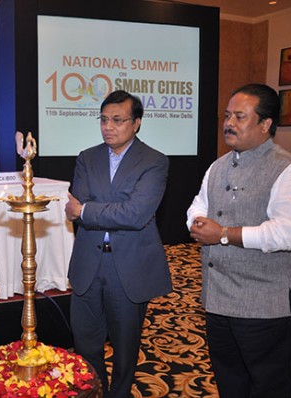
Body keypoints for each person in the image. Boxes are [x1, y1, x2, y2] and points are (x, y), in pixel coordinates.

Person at [187, 83, 291, 398]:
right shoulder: (218, 165)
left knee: (268, 387)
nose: (228, 123)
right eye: (227, 115)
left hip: (266, 305)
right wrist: (196, 222)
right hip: (218, 299)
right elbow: (197, 205)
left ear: (265, 124)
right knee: (230, 382)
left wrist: (224, 235)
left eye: (239, 116)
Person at [65, 90, 172, 397]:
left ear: (136, 123)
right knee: (86, 342)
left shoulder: (154, 161)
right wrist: (104, 210)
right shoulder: (87, 157)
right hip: (88, 261)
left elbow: (136, 214)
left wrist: (88, 210)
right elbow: (88, 207)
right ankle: (97, 391)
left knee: (126, 345)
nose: (108, 127)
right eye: (103, 119)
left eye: (117, 120)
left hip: (129, 266)